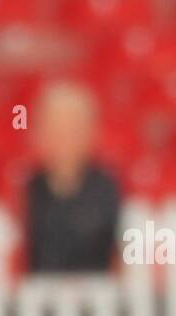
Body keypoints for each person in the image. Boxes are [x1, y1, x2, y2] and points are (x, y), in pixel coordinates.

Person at [24, 81, 121, 274]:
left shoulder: (113, 191)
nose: (63, 139)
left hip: (101, 300)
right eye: (54, 128)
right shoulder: (22, 191)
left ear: (91, 132)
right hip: (34, 300)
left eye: (73, 128)